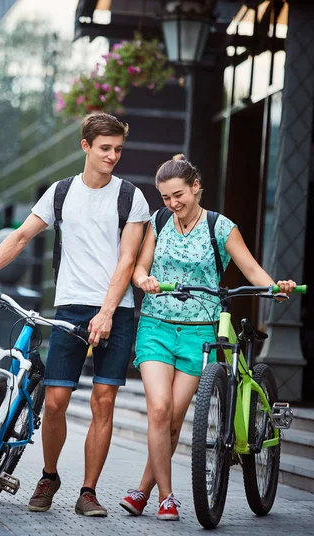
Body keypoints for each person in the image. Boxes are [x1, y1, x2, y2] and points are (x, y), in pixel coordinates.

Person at [0, 112, 150, 517]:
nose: (113, 156)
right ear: (85, 146)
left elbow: (127, 261)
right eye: (105, 149)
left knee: (103, 402)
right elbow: (20, 235)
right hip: (69, 307)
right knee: (54, 402)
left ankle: (88, 491)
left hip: (115, 312)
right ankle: (49, 475)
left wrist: (107, 312)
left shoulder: (130, 196)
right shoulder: (61, 193)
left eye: (118, 149)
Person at [119, 154, 296, 521]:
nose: (173, 203)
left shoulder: (220, 226)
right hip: (156, 325)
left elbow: (250, 268)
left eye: (178, 195)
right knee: (158, 409)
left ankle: (141, 490)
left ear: (196, 187)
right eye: (165, 197)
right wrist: (143, 279)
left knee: (173, 419)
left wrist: (275, 287)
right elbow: (140, 265)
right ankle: (167, 496)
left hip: (200, 333)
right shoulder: (159, 221)